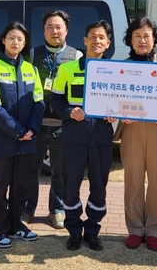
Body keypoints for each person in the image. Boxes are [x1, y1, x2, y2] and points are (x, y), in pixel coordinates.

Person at [114, 18, 157, 251]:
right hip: (132, 129)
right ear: (130, 40)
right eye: (137, 36)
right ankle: (134, 229)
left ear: (154, 39)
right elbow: (114, 98)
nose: (143, 40)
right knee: (132, 181)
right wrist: (121, 114)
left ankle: (154, 230)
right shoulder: (121, 67)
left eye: (147, 35)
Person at [50, 20, 116, 251]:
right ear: (85, 40)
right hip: (73, 137)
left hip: (101, 138)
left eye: (102, 38)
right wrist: (69, 111)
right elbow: (55, 100)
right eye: (93, 36)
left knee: (99, 187)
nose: (97, 41)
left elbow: (122, 102)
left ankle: (93, 230)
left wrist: (115, 114)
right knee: (71, 186)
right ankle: (74, 231)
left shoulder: (115, 70)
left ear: (107, 44)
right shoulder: (67, 69)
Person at [0, 22, 45, 249]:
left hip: (27, 140)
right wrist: (18, 131)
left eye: (20, 39)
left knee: (21, 188)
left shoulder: (31, 69)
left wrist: (32, 130)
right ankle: (1, 230)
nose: (15, 42)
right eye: (11, 38)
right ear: (3, 40)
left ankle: (18, 226)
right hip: (3, 140)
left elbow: (39, 102)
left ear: (24, 43)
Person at [24, 10, 82, 229]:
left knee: (60, 171)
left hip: (62, 124)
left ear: (66, 30)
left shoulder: (76, 56)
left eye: (59, 27)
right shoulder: (32, 54)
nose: (54, 31)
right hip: (36, 124)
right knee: (30, 169)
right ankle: (27, 209)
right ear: (43, 31)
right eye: (50, 27)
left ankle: (56, 210)